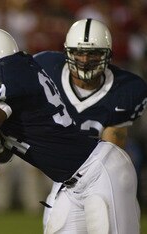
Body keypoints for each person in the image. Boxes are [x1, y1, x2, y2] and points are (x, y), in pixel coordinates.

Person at [0, 27, 144, 233]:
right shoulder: (19, 72)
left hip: (100, 171)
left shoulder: (4, 76)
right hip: (70, 182)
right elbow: (2, 151)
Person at [33, 18, 147, 227]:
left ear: (107, 55)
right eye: (79, 52)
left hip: (103, 174)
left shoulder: (126, 88)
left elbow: (113, 147)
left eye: (93, 53)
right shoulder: (46, 69)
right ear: (67, 52)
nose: (85, 59)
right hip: (64, 180)